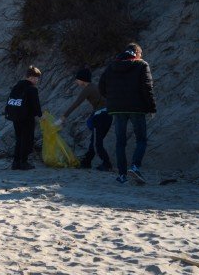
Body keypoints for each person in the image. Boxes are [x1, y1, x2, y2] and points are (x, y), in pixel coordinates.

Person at [98, 43, 156, 185]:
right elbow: (147, 88)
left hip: (117, 109)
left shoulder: (111, 66)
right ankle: (135, 167)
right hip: (137, 108)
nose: (141, 57)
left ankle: (122, 175)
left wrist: (112, 100)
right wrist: (152, 107)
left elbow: (101, 87)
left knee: (120, 143)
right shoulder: (142, 65)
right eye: (140, 54)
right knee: (141, 139)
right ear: (137, 53)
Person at [59, 68, 112, 171]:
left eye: (77, 79)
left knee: (97, 143)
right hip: (107, 116)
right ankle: (87, 162)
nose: (76, 81)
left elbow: (77, 103)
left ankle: (107, 164)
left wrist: (64, 116)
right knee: (94, 141)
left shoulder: (88, 89)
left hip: (101, 117)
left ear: (82, 80)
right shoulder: (94, 87)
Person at [5, 66, 42, 170]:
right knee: (27, 139)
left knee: (19, 139)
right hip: (27, 117)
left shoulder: (16, 86)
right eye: (36, 78)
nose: (37, 80)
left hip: (15, 116)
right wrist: (39, 115)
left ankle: (15, 162)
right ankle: (23, 162)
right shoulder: (32, 89)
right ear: (30, 77)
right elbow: (35, 104)